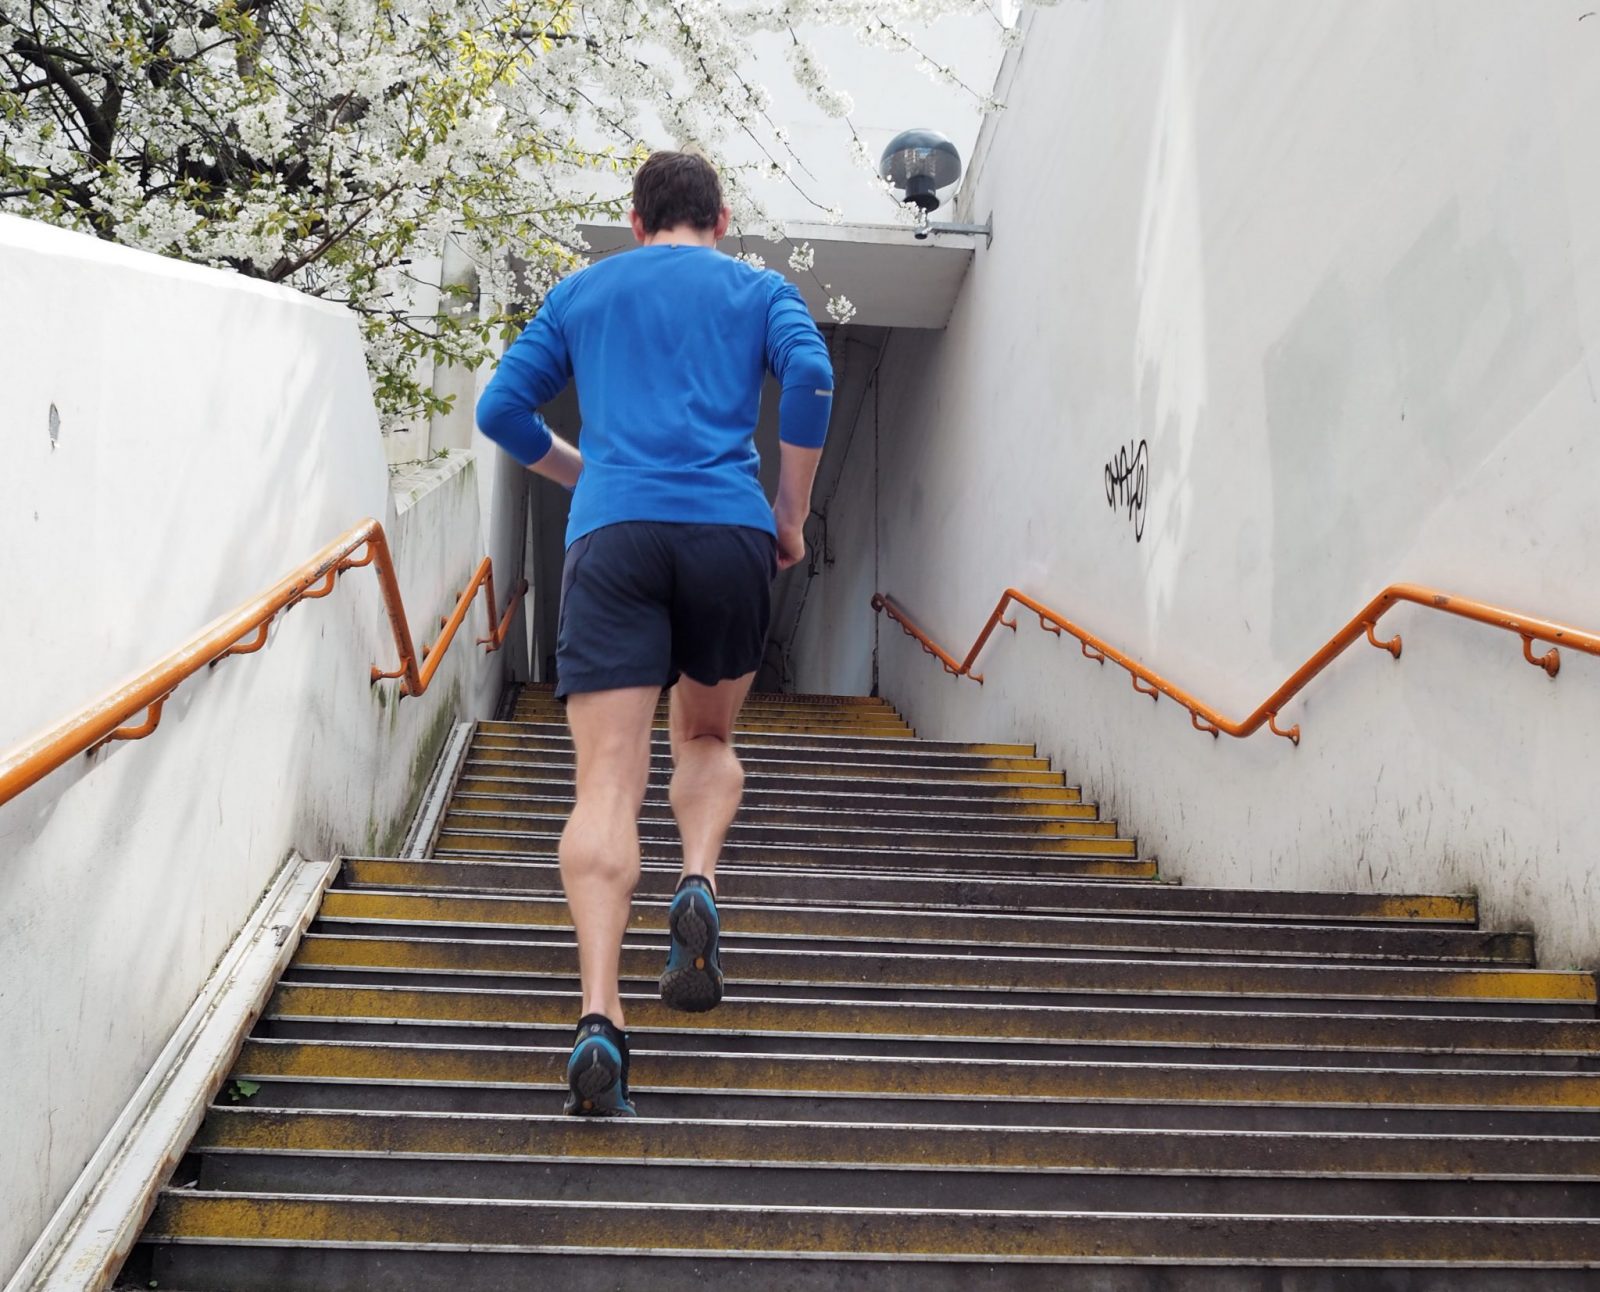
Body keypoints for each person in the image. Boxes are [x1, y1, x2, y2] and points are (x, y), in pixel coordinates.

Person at [475, 150, 834, 1116]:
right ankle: (701, 878)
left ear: (635, 221)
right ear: (722, 219)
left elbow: (499, 410)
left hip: (614, 537)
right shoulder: (762, 291)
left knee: (605, 786)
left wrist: (584, 472)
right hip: (729, 532)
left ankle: (601, 1017)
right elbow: (810, 378)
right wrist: (789, 514)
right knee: (710, 738)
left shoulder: (582, 292)